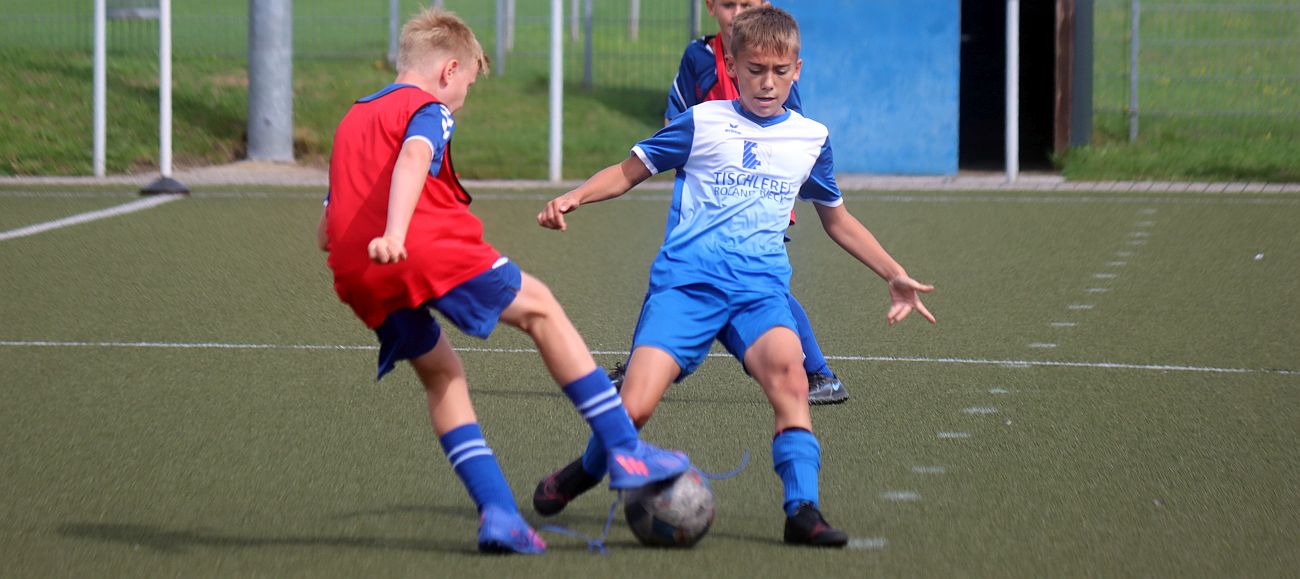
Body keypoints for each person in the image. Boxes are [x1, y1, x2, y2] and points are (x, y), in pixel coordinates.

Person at [532, 6, 935, 547]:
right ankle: (583, 471)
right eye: (754, 70)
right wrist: (574, 195)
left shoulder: (811, 138)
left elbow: (836, 218)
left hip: (758, 294)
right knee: (634, 407)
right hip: (686, 287)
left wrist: (894, 272)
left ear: (798, 70)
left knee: (792, 383)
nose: (767, 83)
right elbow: (629, 172)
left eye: (779, 71)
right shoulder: (702, 122)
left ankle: (802, 511)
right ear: (733, 65)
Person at [316, 8, 689, 555]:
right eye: (466, 82)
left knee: (442, 377)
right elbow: (416, 156)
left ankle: (498, 514)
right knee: (541, 308)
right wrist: (396, 230)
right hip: (419, 246)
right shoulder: (429, 108)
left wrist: (370, 242)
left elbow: (329, 225)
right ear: (448, 70)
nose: (463, 94)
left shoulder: (353, 118)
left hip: (356, 272)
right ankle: (626, 448)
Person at [653, 0, 847, 406]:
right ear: (710, 7)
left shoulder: (778, 67)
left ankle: (818, 372)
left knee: (765, 287)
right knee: (674, 271)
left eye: (749, 3)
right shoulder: (698, 57)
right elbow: (676, 117)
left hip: (760, 190)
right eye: (729, 4)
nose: (738, 12)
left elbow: (790, 136)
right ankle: (641, 364)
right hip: (709, 191)